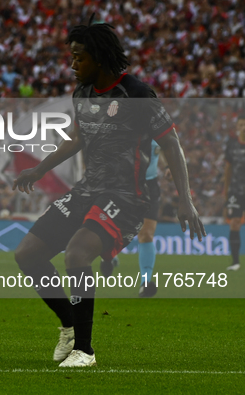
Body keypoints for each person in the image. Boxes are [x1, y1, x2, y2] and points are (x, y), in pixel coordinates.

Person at [12, 17, 205, 368]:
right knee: (27, 254)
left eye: (79, 57)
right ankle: (70, 325)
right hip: (88, 189)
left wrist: (185, 200)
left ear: (99, 58)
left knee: (76, 256)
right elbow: (77, 137)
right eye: (71, 57)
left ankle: (84, 351)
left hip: (127, 195)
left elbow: (172, 145)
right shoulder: (82, 93)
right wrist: (40, 168)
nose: (72, 64)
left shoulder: (137, 93)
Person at [100, 141, 173, 297]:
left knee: (146, 234)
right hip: (124, 183)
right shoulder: (125, 122)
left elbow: (166, 146)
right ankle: (108, 256)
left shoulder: (157, 124)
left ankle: (145, 283)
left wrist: (167, 166)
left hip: (149, 185)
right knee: (115, 226)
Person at [224, 115, 245, 271]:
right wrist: (226, 190)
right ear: (237, 127)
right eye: (240, 125)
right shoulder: (231, 145)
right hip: (235, 190)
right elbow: (228, 169)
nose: (243, 127)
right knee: (235, 223)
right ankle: (236, 262)